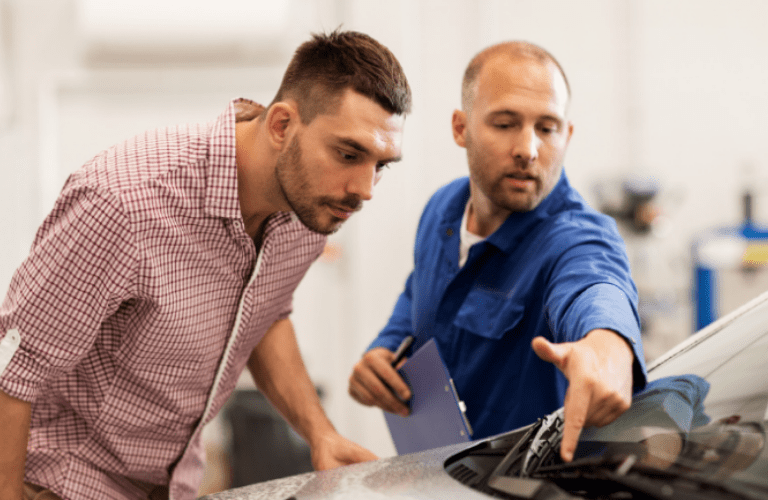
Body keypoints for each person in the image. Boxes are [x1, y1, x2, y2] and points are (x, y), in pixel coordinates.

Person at [0, 30, 411, 500]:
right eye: (349, 153)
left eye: (381, 163)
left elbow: (266, 314)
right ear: (281, 125)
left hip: (174, 486)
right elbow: (12, 366)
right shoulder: (124, 202)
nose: (365, 189)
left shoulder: (308, 212)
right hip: (60, 483)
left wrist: (320, 433)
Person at [348, 41, 647, 463]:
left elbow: (597, 285)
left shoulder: (574, 238)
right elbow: (421, 289)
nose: (528, 149)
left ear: (568, 135)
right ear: (460, 128)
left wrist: (608, 346)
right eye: (505, 124)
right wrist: (387, 346)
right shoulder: (441, 210)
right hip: (437, 475)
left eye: (547, 128)